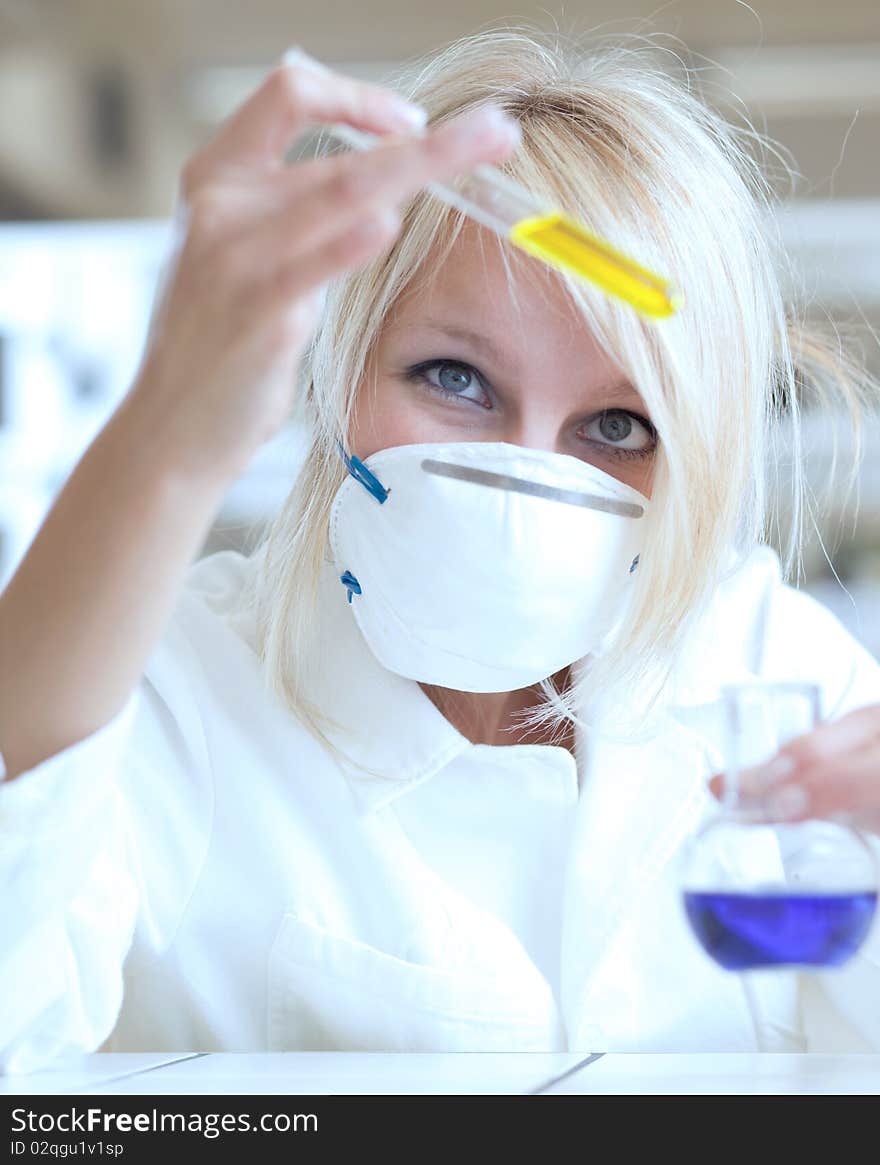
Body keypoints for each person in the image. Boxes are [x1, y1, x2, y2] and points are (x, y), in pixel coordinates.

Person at [2, 28, 880, 1074]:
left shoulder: (773, 678)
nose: (522, 475)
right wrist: (170, 434)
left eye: (616, 427)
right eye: (456, 379)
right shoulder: (183, 685)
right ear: (339, 374)